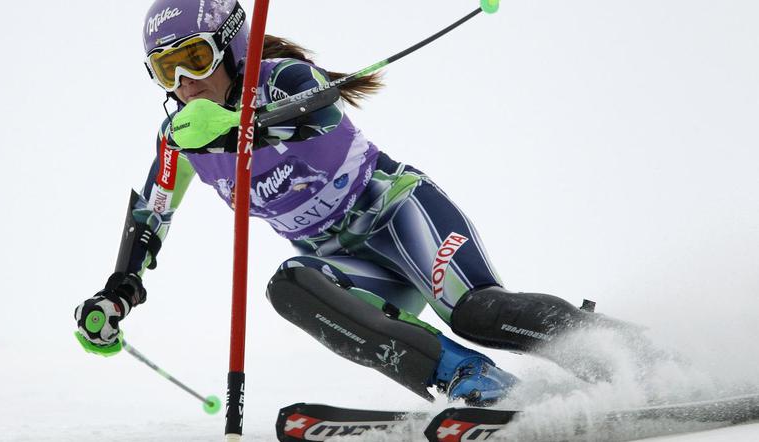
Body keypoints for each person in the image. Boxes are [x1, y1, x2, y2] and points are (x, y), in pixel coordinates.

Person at [75, 0, 624, 406]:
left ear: (232, 45)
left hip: (400, 215)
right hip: (347, 262)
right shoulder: (180, 141)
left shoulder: (279, 78)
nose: (186, 83)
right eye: (167, 70)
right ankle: (473, 379)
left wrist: (241, 127)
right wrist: (117, 294)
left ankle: (619, 352)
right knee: (289, 285)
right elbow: (151, 215)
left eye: (195, 58)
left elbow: (322, 109)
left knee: (476, 312)